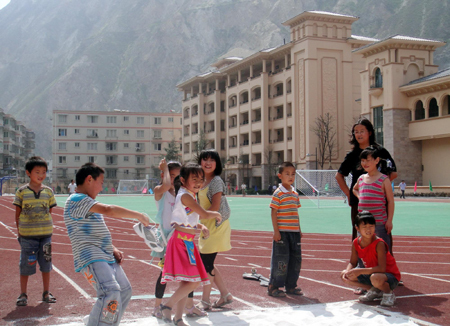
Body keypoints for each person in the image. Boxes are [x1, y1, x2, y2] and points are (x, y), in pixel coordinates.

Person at [63, 163, 150, 326]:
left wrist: (113, 248)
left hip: (105, 255)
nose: (102, 188)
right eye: (101, 183)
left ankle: (96, 321)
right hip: (91, 257)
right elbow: (109, 210)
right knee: (110, 291)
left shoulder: (88, 203)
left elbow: (99, 232)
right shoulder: (77, 200)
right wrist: (138, 215)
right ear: (89, 180)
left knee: (124, 291)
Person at [159, 163, 222, 326]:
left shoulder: (189, 195)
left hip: (187, 242)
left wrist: (199, 226)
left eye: (201, 179)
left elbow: (187, 218)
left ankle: (178, 318)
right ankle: (167, 306)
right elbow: (204, 213)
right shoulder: (186, 196)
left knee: (186, 282)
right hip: (181, 242)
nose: (199, 182)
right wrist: (216, 214)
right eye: (194, 179)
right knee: (193, 281)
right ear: (183, 180)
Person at [150, 159, 206, 318]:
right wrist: (165, 170)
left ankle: (188, 306)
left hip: (181, 238)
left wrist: (200, 226)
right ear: (164, 175)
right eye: (171, 175)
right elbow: (167, 185)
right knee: (164, 275)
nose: (174, 179)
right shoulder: (160, 191)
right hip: (167, 240)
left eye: (178, 176)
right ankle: (157, 306)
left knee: (188, 275)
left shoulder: (183, 194)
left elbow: (187, 217)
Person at [335, 118, 397, 241]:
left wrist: (380, 186)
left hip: (379, 203)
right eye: (356, 132)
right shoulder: (352, 155)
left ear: (369, 132)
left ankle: (384, 259)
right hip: (359, 202)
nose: (359, 134)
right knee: (360, 236)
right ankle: (358, 260)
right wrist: (349, 194)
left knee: (382, 235)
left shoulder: (380, 152)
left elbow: (393, 173)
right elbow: (339, 176)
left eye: (362, 131)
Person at [14, 156, 57, 306]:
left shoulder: (48, 192)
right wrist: (20, 232)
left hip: (45, 236)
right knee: (26, 265)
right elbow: (17, 214)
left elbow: (49, 211)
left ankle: (46, 292)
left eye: (44, 172)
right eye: (37, 171)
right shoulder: (21, 192)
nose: (41, 175)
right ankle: (23, 294)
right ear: (28, 173)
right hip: (27, 237)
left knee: (46, 264)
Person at [194, 149, 232, 310]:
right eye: (205, 159)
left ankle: (205, 300)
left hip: (216, 225)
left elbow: (215, 206)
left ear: (217, 164)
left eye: (212, 160)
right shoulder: (199, 180)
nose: (208, 163)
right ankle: (225, 295)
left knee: (206, 263)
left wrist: (197, 218)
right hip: (206, 224)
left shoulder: (216, 181)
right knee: (207, 262)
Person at [340, 211, 400, 307]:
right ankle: (375, 290)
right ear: (357, 228)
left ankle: (388, 293)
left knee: (375, 278)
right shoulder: (356, 243)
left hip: (388, 276)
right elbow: (352, 262)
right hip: (373, 274)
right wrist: (348, 271)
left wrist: (359, 271)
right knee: (344, 274)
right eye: (364, 227)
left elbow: (382, 269)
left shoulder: (379, 243)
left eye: (371, 226)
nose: (368, 229)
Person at [268, 162, 302, 297]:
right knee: (281, 260)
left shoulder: (295, 193)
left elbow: (296, 213)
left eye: (293, 174)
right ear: (280, 176)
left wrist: (299, 229)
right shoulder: (278, 193)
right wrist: (276, 231)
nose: (290, 177)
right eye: (287, 174)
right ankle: (274, 286)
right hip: (282, 233)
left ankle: (291, 286)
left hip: (294, 234)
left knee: (295, 260)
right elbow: (273, 212)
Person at [353, 146, 395, 253]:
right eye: (362, 160)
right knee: (363, 252)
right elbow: (355, 189)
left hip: (379, 224)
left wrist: (389, 220)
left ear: (377, 160)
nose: (365, 163)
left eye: (368, 160)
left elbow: (390, 201)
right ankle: (362, 268)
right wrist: (360, 196)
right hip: (363, 223)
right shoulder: (361, 178)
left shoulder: (384, 180)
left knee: (381, 253)